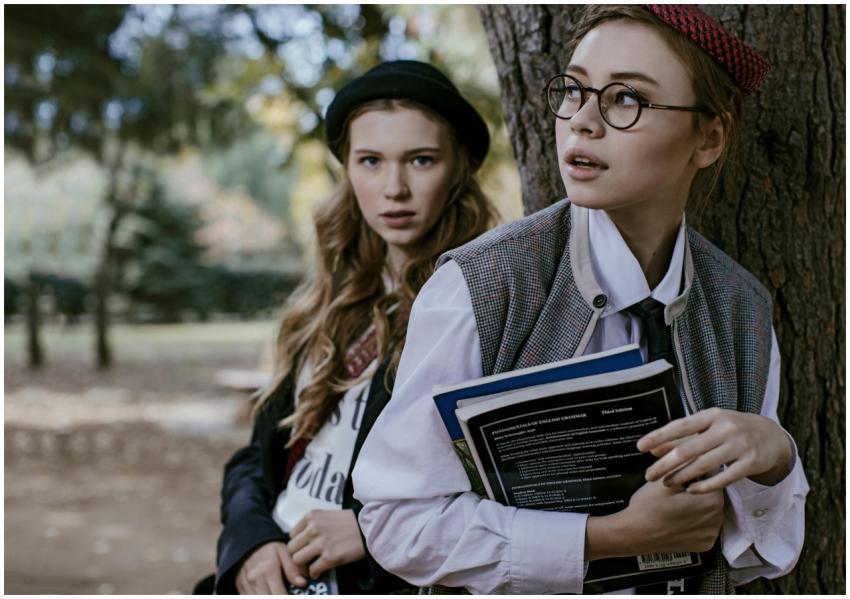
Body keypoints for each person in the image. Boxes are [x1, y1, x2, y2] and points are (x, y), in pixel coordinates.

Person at [352, 5, 808, 595]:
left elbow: (760, 556)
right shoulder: (481, 285)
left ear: (709, 137)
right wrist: (608, 536)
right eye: (574, 90)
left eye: (626, 99)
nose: (582, 122)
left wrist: (775, 459)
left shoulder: (741, 308)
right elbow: (396, 523)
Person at [205, 60, 498, 595]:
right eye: (370, 161)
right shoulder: (329, 301)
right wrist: (251, 543)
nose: (395, 188)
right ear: (348, 170)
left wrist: (375, 531)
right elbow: (256, 456)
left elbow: (515, 491)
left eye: (421, 160)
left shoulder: (487, 305)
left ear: (458, 168)